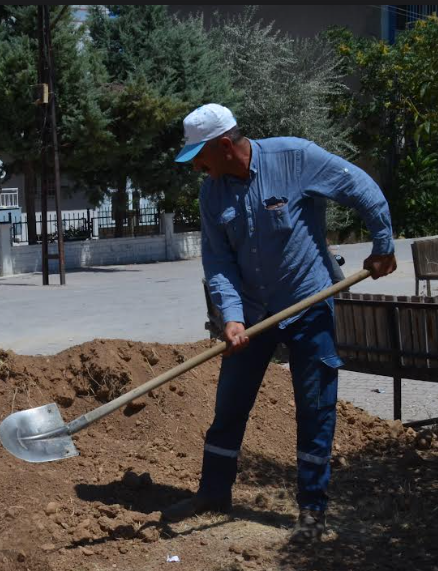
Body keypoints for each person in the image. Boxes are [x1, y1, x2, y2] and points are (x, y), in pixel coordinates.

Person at [165, 104, 397, 542]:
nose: (197, 166)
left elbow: (360, 187)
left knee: (315, 408)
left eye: (200, 156)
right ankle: (214, 494)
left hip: (308, 304)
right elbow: (218, 263)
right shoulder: (211, 194)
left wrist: (383, 242)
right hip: (252, 315)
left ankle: (312, 511)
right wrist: (231, 318)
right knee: (229, 406)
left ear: (222, 146)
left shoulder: (295, 158)